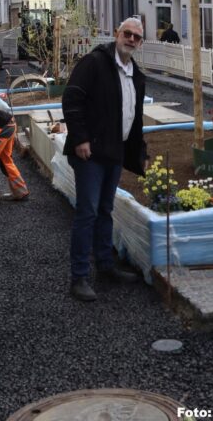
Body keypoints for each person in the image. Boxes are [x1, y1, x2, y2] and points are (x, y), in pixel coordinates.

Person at [62, 17, 148, 302]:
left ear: (140, 42)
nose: (131, 39)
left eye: (137, 36)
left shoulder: (136, 75)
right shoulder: (95, 63)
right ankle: (79, 277)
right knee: (87, 213)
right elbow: (72, 99)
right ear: (116, 33)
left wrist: (138, 152)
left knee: (105, 210)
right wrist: (80, 138)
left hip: (115, 152)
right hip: (90, 153)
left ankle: (105, 266)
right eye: (127, 33)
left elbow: (133, 118)